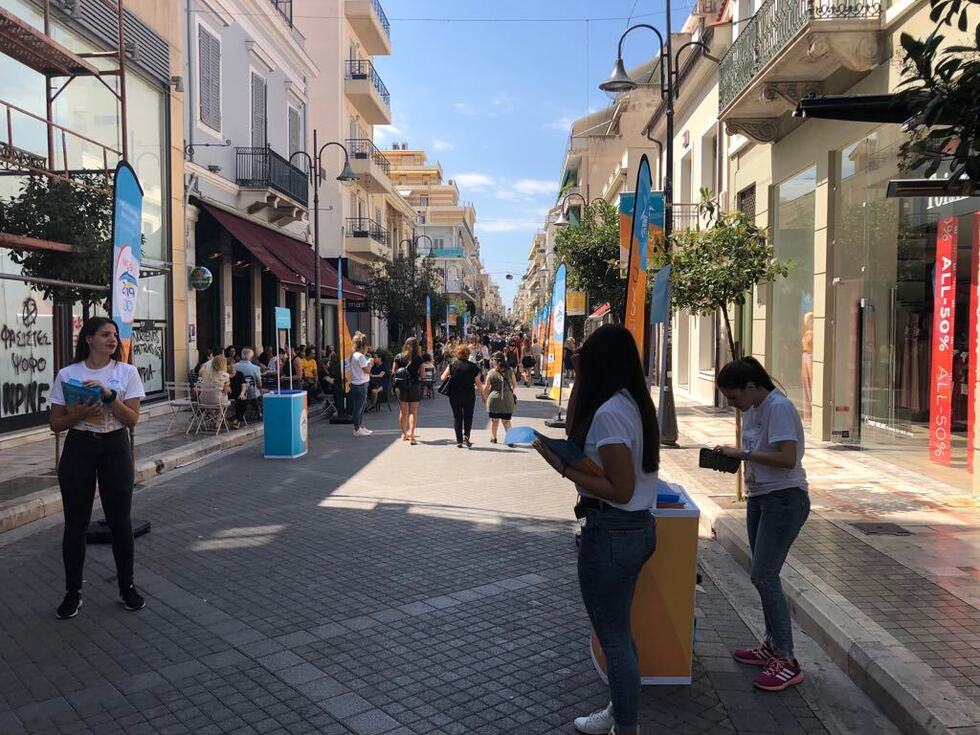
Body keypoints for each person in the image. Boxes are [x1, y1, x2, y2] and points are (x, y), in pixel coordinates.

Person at [532, 325, 659, 735]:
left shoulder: (611, 414)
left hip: (612, 531)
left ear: (598, 362)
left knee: (613, 637)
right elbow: (576, 430)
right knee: (618, 631)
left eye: (583, 355)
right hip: (633, 529)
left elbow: (620, 490)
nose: (577, 359)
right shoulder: (629, 403)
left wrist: (562, 467)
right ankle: (621, 712)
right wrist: (579, 380)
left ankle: (625, 725)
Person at [714, 356, 810, 692]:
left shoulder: (778, 408)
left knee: (764, 575)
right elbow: (760, 451)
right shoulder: (755, 408)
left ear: (752, 386)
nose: (733, 405)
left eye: (734, 397)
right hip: (761, 497)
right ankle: (772, 644)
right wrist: (733, 457)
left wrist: (742, 454)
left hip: (784, 500)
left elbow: (788, 458)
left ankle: (786, 658)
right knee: (762, 574)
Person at [48, 317, 147, 619]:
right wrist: (78, 413)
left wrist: (109, 396)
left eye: (114, 334)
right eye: (105, 334)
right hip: (79, 447)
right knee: (75, 524)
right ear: (89, 339)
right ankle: (72, 592)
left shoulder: (126, 372)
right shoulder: (68, 374)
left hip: (115, 446)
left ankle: (127, 586)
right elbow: (55, 424)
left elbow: (132, 420)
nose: (112, 339)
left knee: (120, 521)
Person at [442, 344, 484, 448]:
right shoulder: (473, 366)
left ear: (457, 353)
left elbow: (442, 378)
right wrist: (483, 394)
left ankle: (459, 441)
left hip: (455, 395)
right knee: (468, 416)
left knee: (457, 417)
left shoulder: (452, 365)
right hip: (469, 394)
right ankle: (466, 435)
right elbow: (478, 383)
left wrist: (451, 375)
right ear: (468, 354)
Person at [484, 351, 518, 444]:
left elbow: (486, 387)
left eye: (492, 360)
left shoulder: (491, 372)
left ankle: (494, 438)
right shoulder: (510, 370)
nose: (491, 361)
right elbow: (514, 385)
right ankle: (510, 439)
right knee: (506, 421)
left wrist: (485, 397)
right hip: (507, 399)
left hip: (494, 399)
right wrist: (509, 391)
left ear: (495, 361)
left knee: (494, 421)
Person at [395, 337, 423, 444]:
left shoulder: (399, 357)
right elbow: (422, 374)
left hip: (402, 386)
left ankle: (404, 434)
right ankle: (412, 435)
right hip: (414, 385)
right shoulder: (418, 359)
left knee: (403, 411)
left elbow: (394, 371)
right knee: (413, 411)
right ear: (416, 346)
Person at [348, 334, 373, 436]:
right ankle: (357, 428)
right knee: (359, 408)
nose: (367, 347)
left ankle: (360, 426)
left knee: (359, 407)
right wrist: (370, 363)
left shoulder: (354, 355)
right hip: (361, 384)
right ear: (363, 346)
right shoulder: (360, 356)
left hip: (356, 383)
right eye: (366, 345)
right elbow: (367, 371)